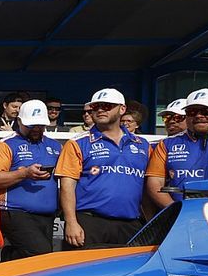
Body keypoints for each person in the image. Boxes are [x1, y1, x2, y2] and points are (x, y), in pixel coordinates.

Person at [56, 88, 150, 248]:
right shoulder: (77, 143)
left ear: (122, 109)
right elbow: (67, 186)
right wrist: (71, 222)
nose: (100, 110)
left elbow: (148, 189)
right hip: (89, 222)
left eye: (107, 106)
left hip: (130, 224)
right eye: (96, 106)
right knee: (84, 272)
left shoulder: (143, 145)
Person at [0, 100, 61, 260]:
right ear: (19, 121)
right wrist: (24, 173)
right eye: (31, 125)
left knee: (34, 262)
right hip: (15, 211)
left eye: (40, 125)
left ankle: (11, 263)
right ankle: (8, 256)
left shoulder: (55, 146)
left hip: (47, 215)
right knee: (41, 253)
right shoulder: (5, 145)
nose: (36, 129)